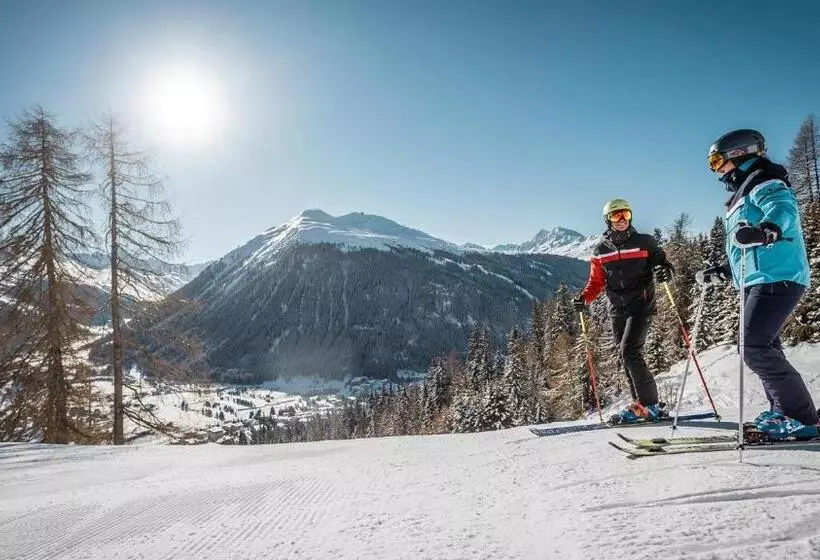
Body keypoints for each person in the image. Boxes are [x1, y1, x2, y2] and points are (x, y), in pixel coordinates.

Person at [698, 128, 819, 440]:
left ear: (739, 154)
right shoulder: (742, 193)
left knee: (753, 346)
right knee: (766, 345)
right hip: (760, 277)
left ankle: (801, 417)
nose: (716, 170)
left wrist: (768, 229)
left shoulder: (765, 179)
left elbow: (783, 209)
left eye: (717, 162)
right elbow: (744, 244)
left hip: (779, 276)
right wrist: (724, 270)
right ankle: (784, 411)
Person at [573, 199, 675, 423]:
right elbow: (596, 283)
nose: (622, 220)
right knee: (624, 355)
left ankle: (650, 405)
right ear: (607, 219)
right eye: (616, 215)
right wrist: (584, 299)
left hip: (641, 304)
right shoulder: (600, 250)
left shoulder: (645, 242)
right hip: (616, 308)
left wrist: (665, 271)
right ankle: (640, 404)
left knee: (630, 351)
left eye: (626, 215)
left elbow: (664, 264)